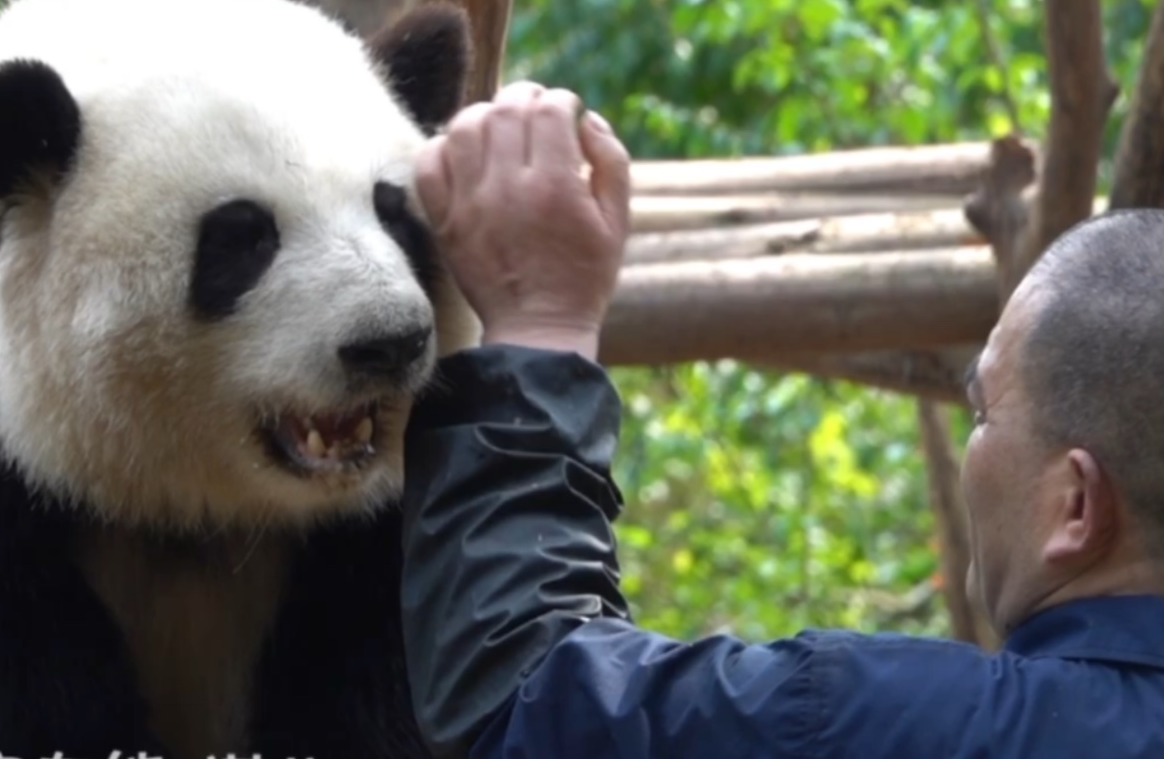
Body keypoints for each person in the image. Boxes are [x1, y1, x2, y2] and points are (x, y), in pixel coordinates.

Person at [399, 80, 1164, 759]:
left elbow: (528, 705)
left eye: (983, 410)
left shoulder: (906, 726)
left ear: (1074, 505)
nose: (974, 439)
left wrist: (543, 327)